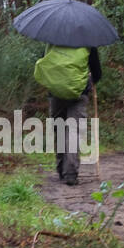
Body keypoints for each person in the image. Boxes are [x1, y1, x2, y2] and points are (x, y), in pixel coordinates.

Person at [49, 47, 101, 186]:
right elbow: (97, 72)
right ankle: (70, 173)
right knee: (74, 131)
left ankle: (61, 169)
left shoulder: (53, 40)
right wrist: (91, 79)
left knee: (59, 129)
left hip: (56, 93)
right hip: (79, 93)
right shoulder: (88, 43)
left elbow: (46, 64)